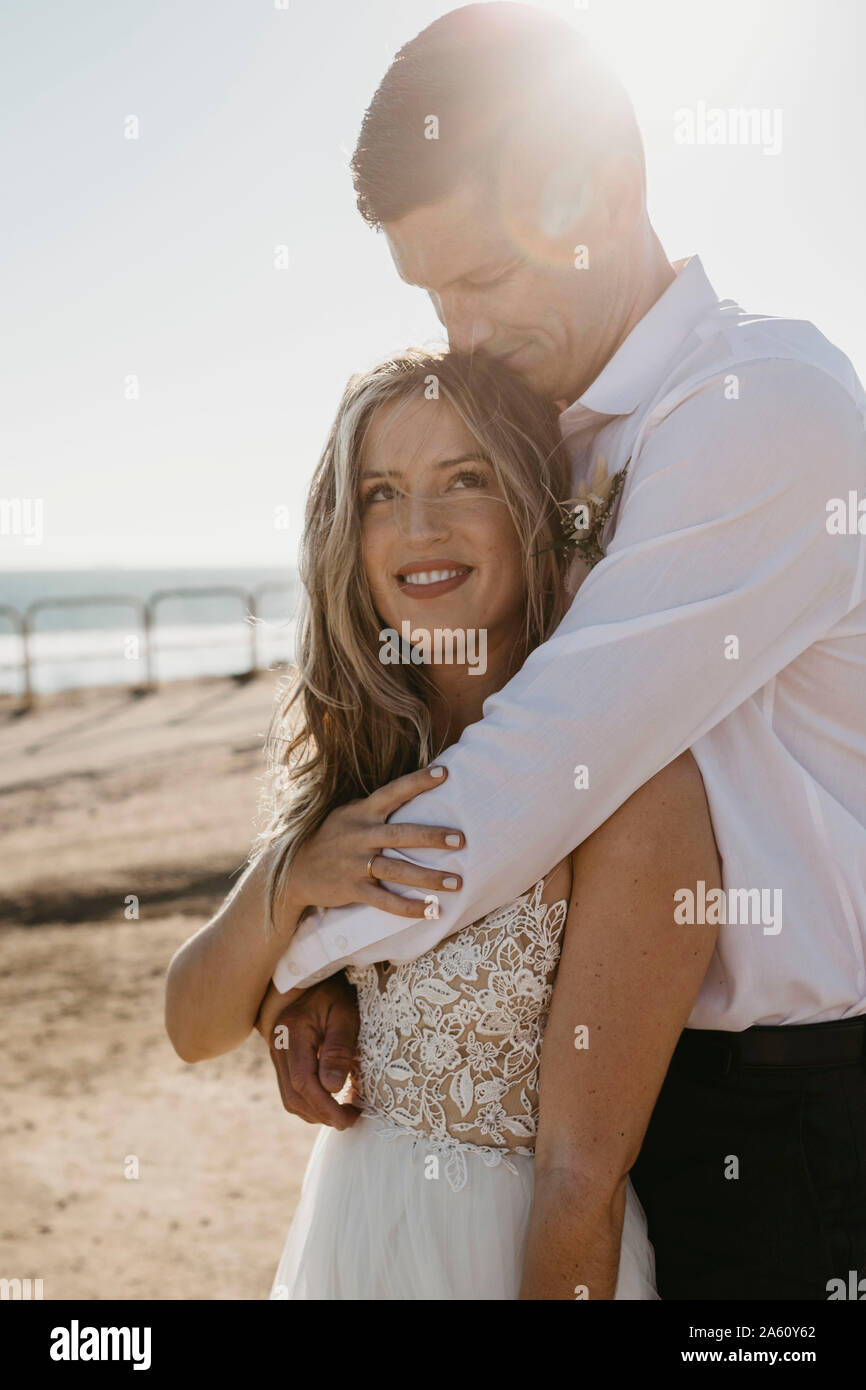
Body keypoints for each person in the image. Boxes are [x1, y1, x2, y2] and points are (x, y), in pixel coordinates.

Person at [267, 4, 866, 1300]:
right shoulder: (544, 443)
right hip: (611, 1077)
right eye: (430, 294)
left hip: (793, 1119)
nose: (460, 329)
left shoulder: (759, 406)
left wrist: (298, 940)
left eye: (479, 278)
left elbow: (537, 768)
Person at [166, 349, 721, 1298]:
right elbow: (191, 1023)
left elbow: (580, 1180)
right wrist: (294, 884)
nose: (417, 529)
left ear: (534, 509)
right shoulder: (372, 760)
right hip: (351, 1246)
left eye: (464, 480)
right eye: (381, 492)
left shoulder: (627, 781)